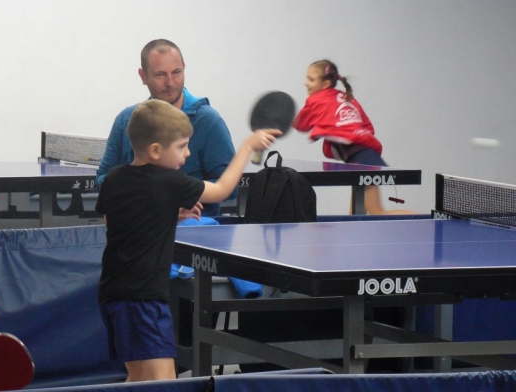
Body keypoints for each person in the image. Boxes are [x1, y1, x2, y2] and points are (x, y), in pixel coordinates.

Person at [96, 99, 279, 382]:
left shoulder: (113, 178)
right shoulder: (170, 181)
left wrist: (167, 214)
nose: (188, 153)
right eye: (181, 146)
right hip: (145, 299)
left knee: (139, 377)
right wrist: (247, 147)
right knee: (164, 379)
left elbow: (114, 223)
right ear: (156, 150)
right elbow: (221, 190)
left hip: (112, 294)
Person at [97, 39, 237, 217]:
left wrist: (177, 203)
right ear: (143, 76)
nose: (170, 82)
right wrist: (150, 200)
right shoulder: (126, 119)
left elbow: (228, 188)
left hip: (194, 229)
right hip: (138, 228)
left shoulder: (209, 121)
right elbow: (104, 178)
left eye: (177, 72)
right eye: (160, 75)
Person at [292, 59, 406, 215]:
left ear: (325, 84)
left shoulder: (315, 99)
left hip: (362, 159)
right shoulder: (346, 97)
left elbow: (301, 125)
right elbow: (367, 126)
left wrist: (285, 120)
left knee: (377, 212)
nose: (305, 83)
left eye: (311, 79)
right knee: (354, 216)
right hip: (364, 155)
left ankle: (429, 222)